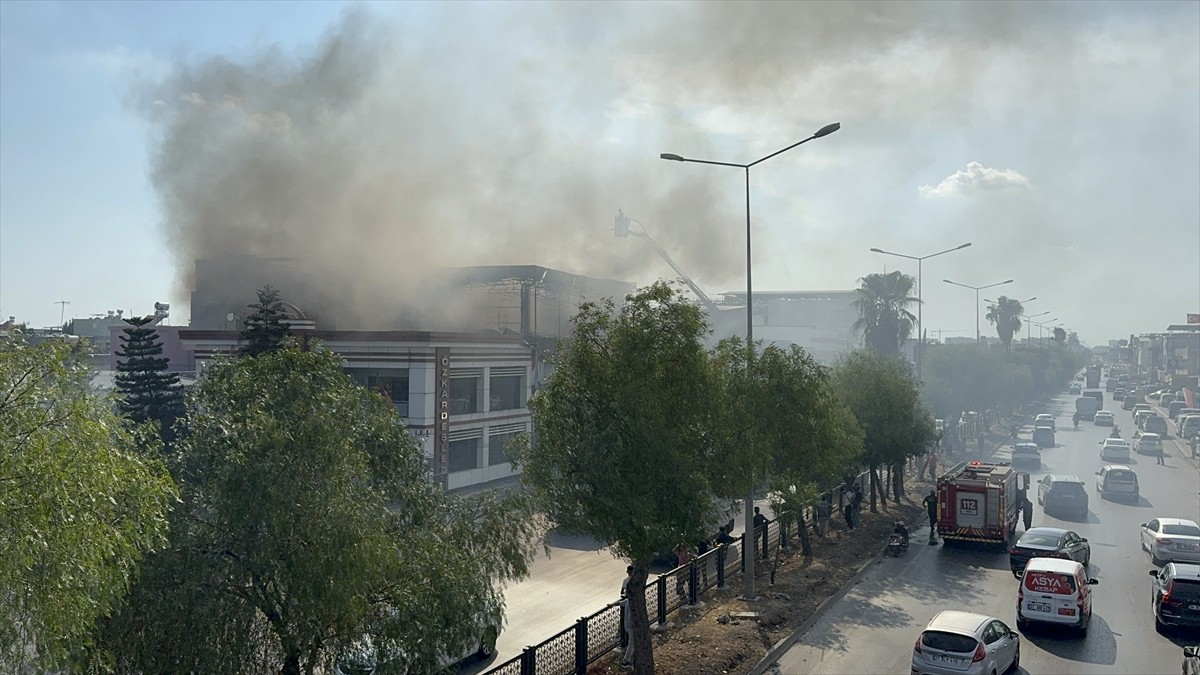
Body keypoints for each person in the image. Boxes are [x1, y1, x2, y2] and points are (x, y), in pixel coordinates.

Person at [620, 565, 635, 668]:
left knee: (632, 643)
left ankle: (629, 659)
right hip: (632, 626)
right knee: (632, 643)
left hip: (628, 625)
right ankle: (625, 661)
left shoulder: (627, 601)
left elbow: (620, 597)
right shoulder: (632, 601)